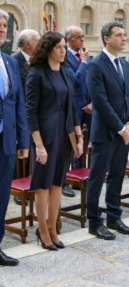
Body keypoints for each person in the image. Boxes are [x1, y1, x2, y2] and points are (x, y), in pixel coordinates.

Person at [26, 31, 83, 250]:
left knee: (57, 183)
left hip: (64, 136)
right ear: (48, 48)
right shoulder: (36, 73)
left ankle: (53, 227)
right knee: (42, 185)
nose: (63, 51)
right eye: (59, 47)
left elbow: (73, 107)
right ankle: (42, 230)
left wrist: (78, 138)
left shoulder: (67, 72)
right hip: (45, 138)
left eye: (64, 47)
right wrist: (38, 145)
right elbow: (30, 112)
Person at [86, 22, 129, 240]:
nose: (124, 38)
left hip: (125, 131)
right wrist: (119, 128)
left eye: (124, 35)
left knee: (117, 175)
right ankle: (94, 221)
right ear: (106, 38)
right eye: (119, 35)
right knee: (97, 177)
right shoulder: (96, 65)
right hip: (106, 132)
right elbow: (100, 101)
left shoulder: (125, 65)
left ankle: (114, 217)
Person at [0, 9, 29, 266]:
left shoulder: (9, 62)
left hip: (7, 141)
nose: (1, 30)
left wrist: (23, 140)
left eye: (3, 27)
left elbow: (18, 103)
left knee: (1, 196)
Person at [62, 25, 92, 197]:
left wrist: (93, 102)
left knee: (84, 144)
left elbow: (93, 82)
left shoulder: (85, 56)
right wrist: (85, 62)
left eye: (83, 36)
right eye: (78, 36)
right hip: (73, 108)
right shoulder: (64, 58)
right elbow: (74, 82)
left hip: (88, 107)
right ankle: (65, 179)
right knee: (70, 145)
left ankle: (79, 177)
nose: (82, 39)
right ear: (69, 40)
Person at [12, 29, 40, 205]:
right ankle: (17, 190)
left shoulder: (38, 62)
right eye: (38, 41)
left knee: (31, 153)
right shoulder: (14, 61)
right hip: (19, 116)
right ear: (28, 44)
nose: (40, 44)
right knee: (21, 154)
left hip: (35, 114)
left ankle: (30, 183)